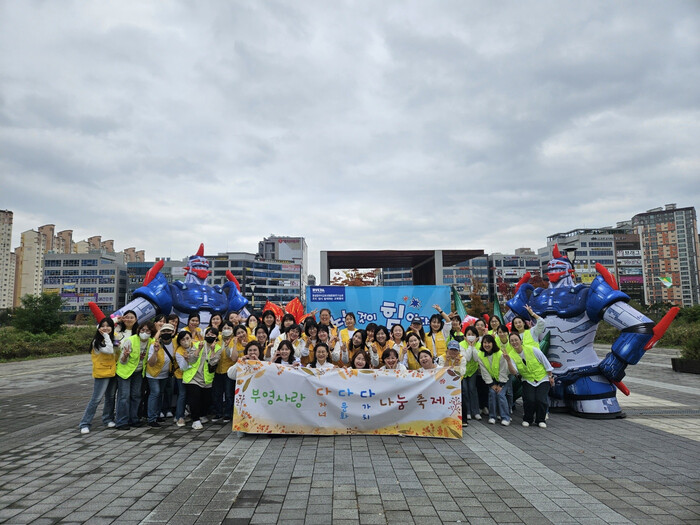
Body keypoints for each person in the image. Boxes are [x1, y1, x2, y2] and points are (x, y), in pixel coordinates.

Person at [506, 332, 554, 428]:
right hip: (527, 380)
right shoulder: (511, 355)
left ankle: (541, 420)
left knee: (541, 399)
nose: (514, 342)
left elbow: (545, 362)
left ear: (521, 341)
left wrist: (550, 377)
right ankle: (528, 419)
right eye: (512, 341)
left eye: (516, 340)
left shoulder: (532, 349)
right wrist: (508, 361)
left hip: (542, 378)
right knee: (529, 399)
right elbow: (514, 372)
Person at [79, 317, 118, 434]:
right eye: (103, 326)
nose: (105, 328)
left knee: (111, 397)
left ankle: (108, 419)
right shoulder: (97, 341)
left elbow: (117, 349)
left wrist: (117, 320)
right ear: (99, 328)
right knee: (96, 399)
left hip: (113, 371)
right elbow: (109, 350)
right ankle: (85, 423)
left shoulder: (114, 338)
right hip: (102, 373)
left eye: (108, 326)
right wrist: (105, 335)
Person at [115, 321, 155, 430]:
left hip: (138, 372)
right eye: (142, 330)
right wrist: (125, 355)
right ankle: (121, 421)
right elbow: (122, 361)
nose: (144, 332)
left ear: (151, 332)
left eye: (148, 331)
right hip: (125, 372)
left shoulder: (151, 342)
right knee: (124, 397)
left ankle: (134, 419)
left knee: (136, 396)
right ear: (139, 330)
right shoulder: (130, 340)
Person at [180, 326, 220, 430]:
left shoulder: (218, 348)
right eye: (208, 334)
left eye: (212, 334)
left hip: (206, 379)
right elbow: (191, 360)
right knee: (195, 398)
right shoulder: (197, 344)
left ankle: (201, 415)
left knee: (206, 399)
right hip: (193, 377)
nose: (210, 336)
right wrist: (199, 349)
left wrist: (212, 350)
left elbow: (213, 363)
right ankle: (195, 420)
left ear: (216, 337)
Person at [478, 334, 517, 426]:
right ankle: (492, 416)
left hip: (505, 378)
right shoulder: (480, 355)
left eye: (489, 343)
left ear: (493, 343)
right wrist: (492, 384)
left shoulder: (500, 354)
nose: (486, 345)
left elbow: (504, 370)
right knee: (492, 393)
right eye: (484, 342)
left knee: (500, 394)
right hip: (493, 379)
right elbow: (484, 371)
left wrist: (500, 385)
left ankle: (506, 417)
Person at [145, 323, 176, 428]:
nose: (166, 333)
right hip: (153, 374)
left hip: (165, 374)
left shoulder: (175, 342)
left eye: (168, 331)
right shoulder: (155, 344)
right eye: (164, 331)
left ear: (173, 332)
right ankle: (151, 418)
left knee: (161, 393)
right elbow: (151, 363)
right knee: (155, 393)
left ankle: (157, 415)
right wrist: (155, 352)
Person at [211, 321, 237, 423]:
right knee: (217, 393)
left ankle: (227, 414)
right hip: (218, 370)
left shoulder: (234, 340)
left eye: (229, 328)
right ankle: (218, 413)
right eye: (224, 328)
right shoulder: (217, 339)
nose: (226, 330)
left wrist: (227, 346)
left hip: (228, 371)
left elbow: (232, 356)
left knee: (229, 394)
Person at [461, 326, 482, 421]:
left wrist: (473, 346)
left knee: (472, 390)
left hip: (473, 371)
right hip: (463, 372)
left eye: (473, 334)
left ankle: (476, 412)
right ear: (465, 336)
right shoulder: (461, 344)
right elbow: (467, 358)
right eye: (468, 334)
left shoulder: (479, 345)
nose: (470, 336)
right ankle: (468, 412)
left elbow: (476, 358)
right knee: (465, 390)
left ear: (476, 336)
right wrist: (470, 346)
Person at [173, 331, 192, 427]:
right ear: (179, 342)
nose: (185, 341)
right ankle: (179, 416)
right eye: (183, 339)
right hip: (181, 375)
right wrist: (186, 359)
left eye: (187, 338)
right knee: (182, 394)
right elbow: (183, 367)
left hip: (193, 375)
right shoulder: (179, 351)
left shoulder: (195, 347)